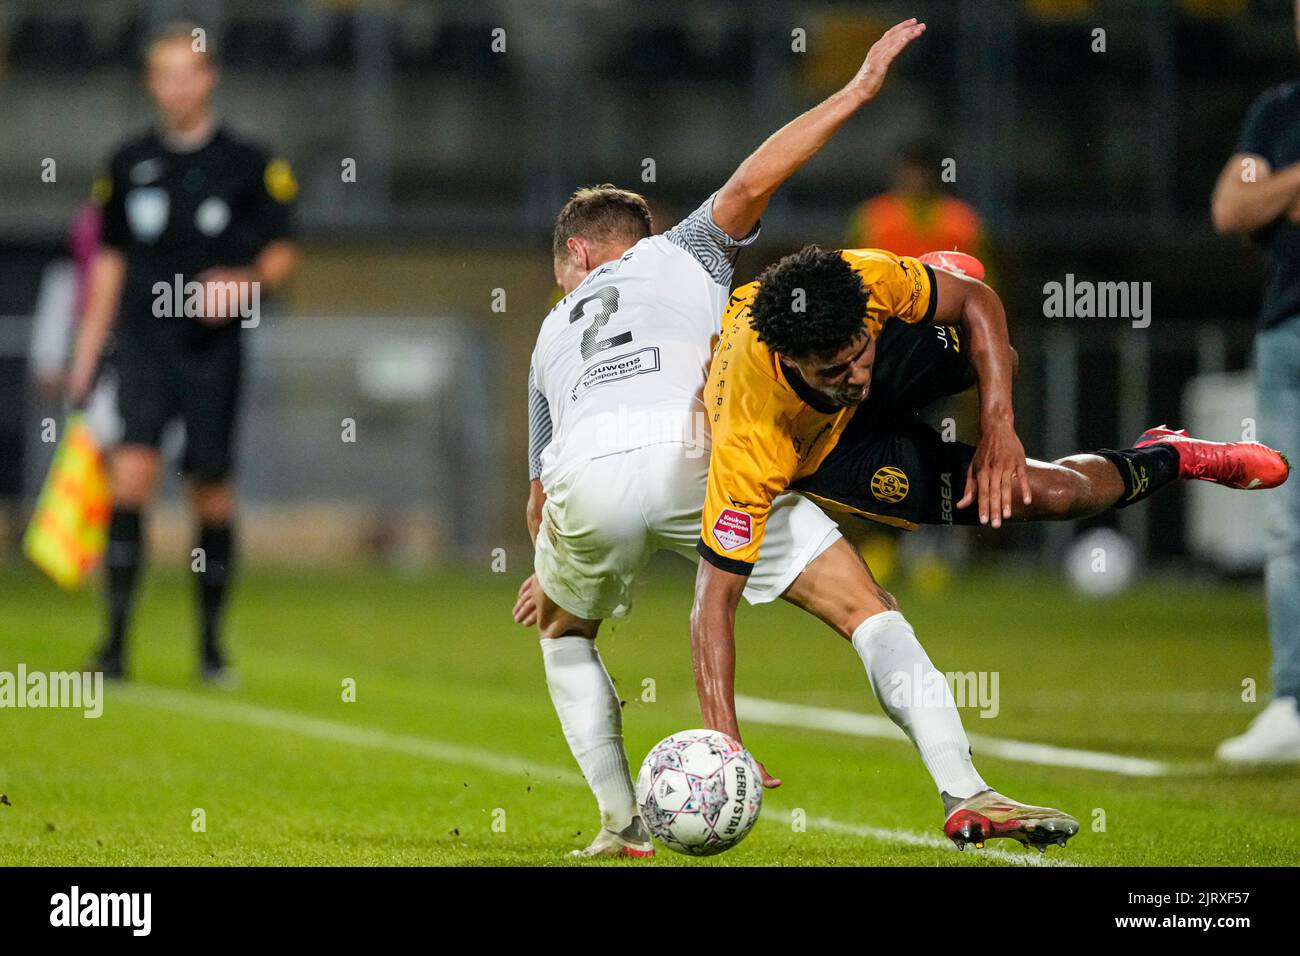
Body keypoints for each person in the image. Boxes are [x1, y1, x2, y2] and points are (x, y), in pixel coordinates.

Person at [688, 244, 1289, 849]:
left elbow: (981, 301)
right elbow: (713, 603)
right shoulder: (747, 440)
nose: (856, 376)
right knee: (1046, 497)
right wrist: (725, 743)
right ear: (791, 358)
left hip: (881, 355)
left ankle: (932, 274)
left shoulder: (865, 283)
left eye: (857, 354)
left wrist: (998, 427)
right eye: (833, 370)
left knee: (995, 349)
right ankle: (1172, 454)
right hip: (833, 454)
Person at [520, 19, 928, 858]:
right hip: (699, 461)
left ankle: (621, 826)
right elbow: (760, 170)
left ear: (579, 253)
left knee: (564, 635)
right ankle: (963, 787)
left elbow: (539, 496)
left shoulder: (550, 331)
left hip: (590, 477)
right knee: (864, 606)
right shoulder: (691, 250)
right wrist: (855, 92)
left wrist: (550, 576)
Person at [66, 21, 299, 682]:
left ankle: (211, 646)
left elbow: (282, 251)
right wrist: (88, 348)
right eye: (163, 74)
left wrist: (245, 282)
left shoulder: (248, 161)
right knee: (130, 477)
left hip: (211, 350)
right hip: (142, 342)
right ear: (151, 83)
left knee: (211, 491)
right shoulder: (127, 160)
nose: (176, 86)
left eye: (187, 72)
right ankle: (113, 644)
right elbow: (110, 262)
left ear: (209, 78)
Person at [1208, 5, 1300, 762]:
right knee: (1289, 524)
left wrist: (1282, 191)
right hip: (1288, 333)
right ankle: (1291, 703)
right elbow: (1233, 204)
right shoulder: (1276, 113)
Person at [845, 138, 986, 263]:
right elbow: (852, 269)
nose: (917, 177)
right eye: (912, 169)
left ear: (937, 173)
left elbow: (983, 276)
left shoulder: (963, 220)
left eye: (923, 170)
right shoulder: (872, 216)